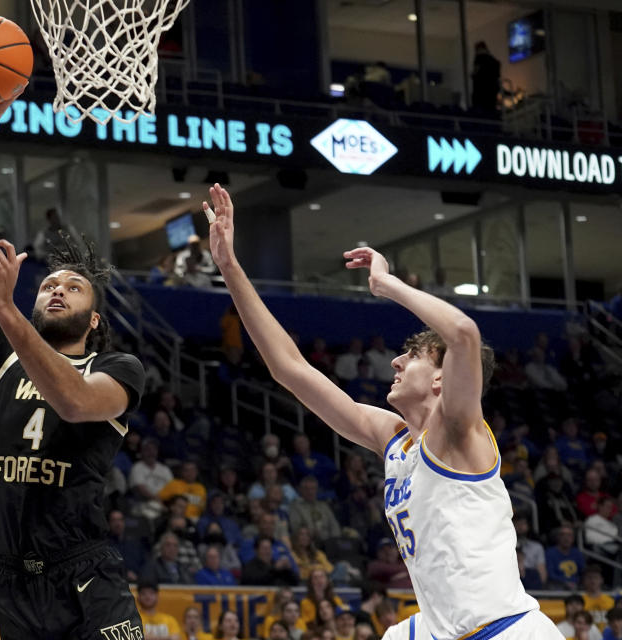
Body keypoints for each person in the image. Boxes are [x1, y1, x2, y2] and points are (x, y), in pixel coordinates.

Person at [204, 183, 560, 640]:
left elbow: (465, 335)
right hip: (439, 631)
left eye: (411, 356)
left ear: (440, 378)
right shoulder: (392, 437)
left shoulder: (458, 432)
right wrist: (230, 267)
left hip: (506, 631)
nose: (395, 361)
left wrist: (387, 284)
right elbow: (290, 369)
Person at [0, 93, 146, 640]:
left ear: (94, 320)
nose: (56, 290)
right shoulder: (0, 354)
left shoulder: (118, 367)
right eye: (48, 284)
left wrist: (4, 307)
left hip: (87, 579)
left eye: (73, 288)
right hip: (11, 583)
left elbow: (73, 402)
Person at [546, 524, 586, 589]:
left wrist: (576, 582)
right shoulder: (550, 553)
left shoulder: (577, 553)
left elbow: (583, 572)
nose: (566, 538)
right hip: (557, 585)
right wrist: (565, 582)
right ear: (558, 537)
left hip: (576, 585)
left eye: (569, 535)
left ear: (573, 538)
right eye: (562, 535)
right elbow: (550, 574)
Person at [471, 41, 500, 112]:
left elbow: (475, 73)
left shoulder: (479, 59)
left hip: (480, 96)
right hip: (491, 95)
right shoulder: (494, 61)